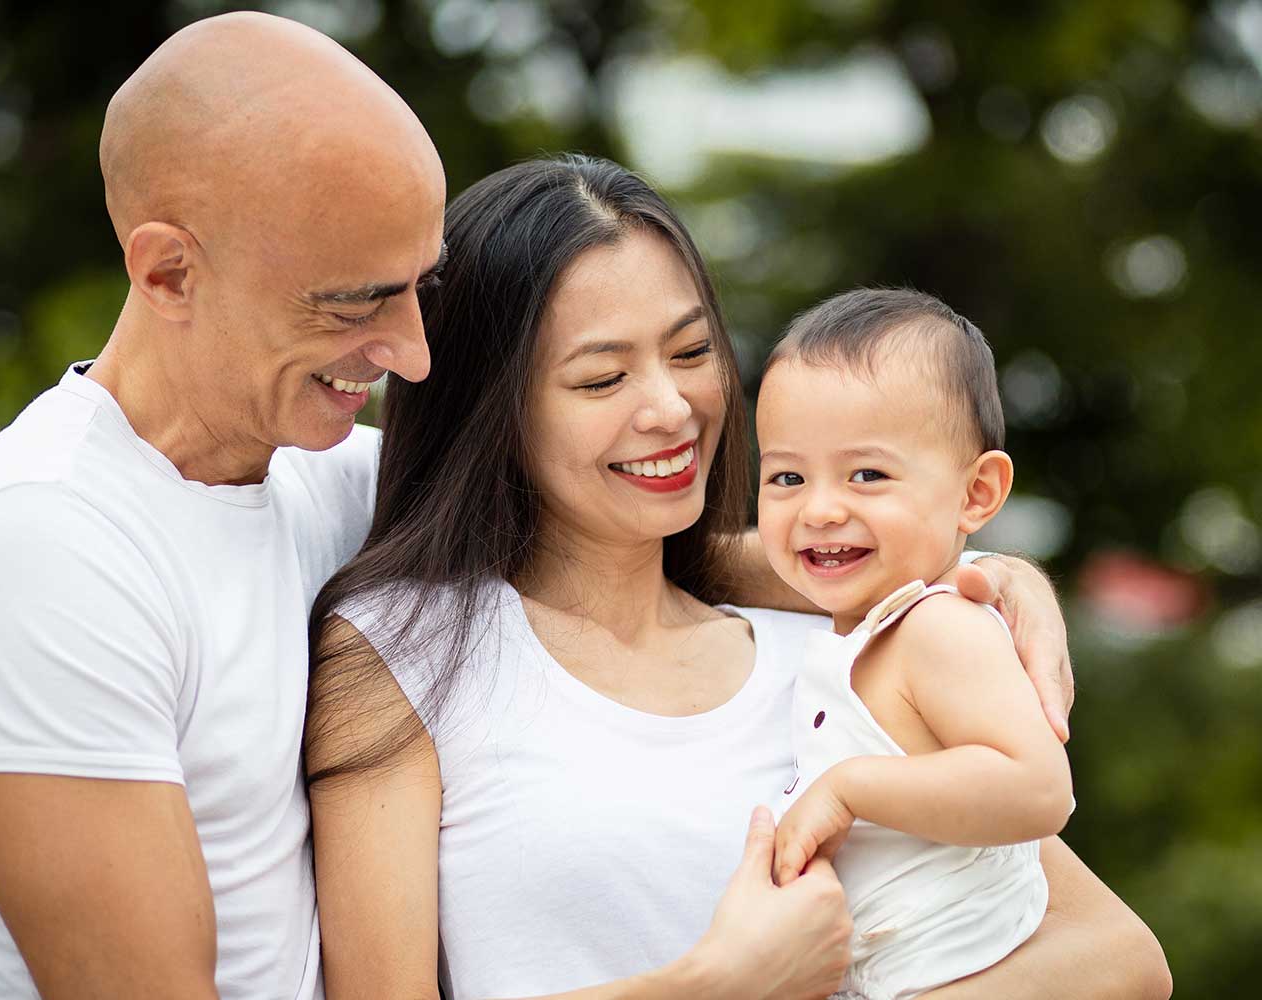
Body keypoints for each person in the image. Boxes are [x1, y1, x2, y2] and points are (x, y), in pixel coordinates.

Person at [306, 155, 1170, 1000]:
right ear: (490, 408)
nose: (672, 410)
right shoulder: (403, 656)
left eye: (689, 352)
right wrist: (716, 987)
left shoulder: (840, 649)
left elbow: (1117, 956)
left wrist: (973, 572)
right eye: (603, 376)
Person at [0, 12, 445, 998]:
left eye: (417, 288)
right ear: (169, 272)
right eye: (354, 302)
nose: (413, 351)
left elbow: (636, 562)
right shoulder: (39, 546)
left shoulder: (341, 482)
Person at [758, 289, 1078, 1000]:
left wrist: (846, 790)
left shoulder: (936, 626)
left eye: (866, 474)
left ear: (977, 492)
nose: (819, 508)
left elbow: (1040, 788)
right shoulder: (856, 634)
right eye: (786, 476)